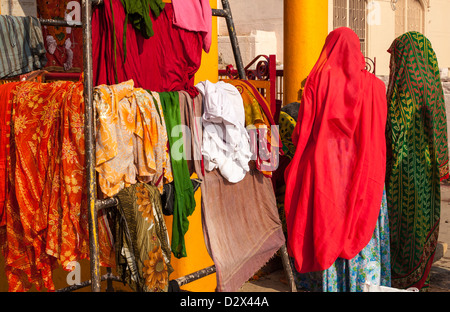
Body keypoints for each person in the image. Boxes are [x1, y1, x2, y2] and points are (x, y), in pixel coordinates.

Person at [283, 27, 391, 291]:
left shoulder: (317, 81)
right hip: (366, 175)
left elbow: (301, 133)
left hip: (325, 175)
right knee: (362, 234)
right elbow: (380, 132)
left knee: (326, 231)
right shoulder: (376, 87)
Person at [385, 31, 449, 291]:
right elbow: (440, 127)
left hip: (402, 171)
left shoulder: (404, 84)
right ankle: (420, 278)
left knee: (403, 223)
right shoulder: (433, 83)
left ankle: (401, 278)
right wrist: (442, 163)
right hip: (427, 166)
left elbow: (393, 131)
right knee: (422, 220)